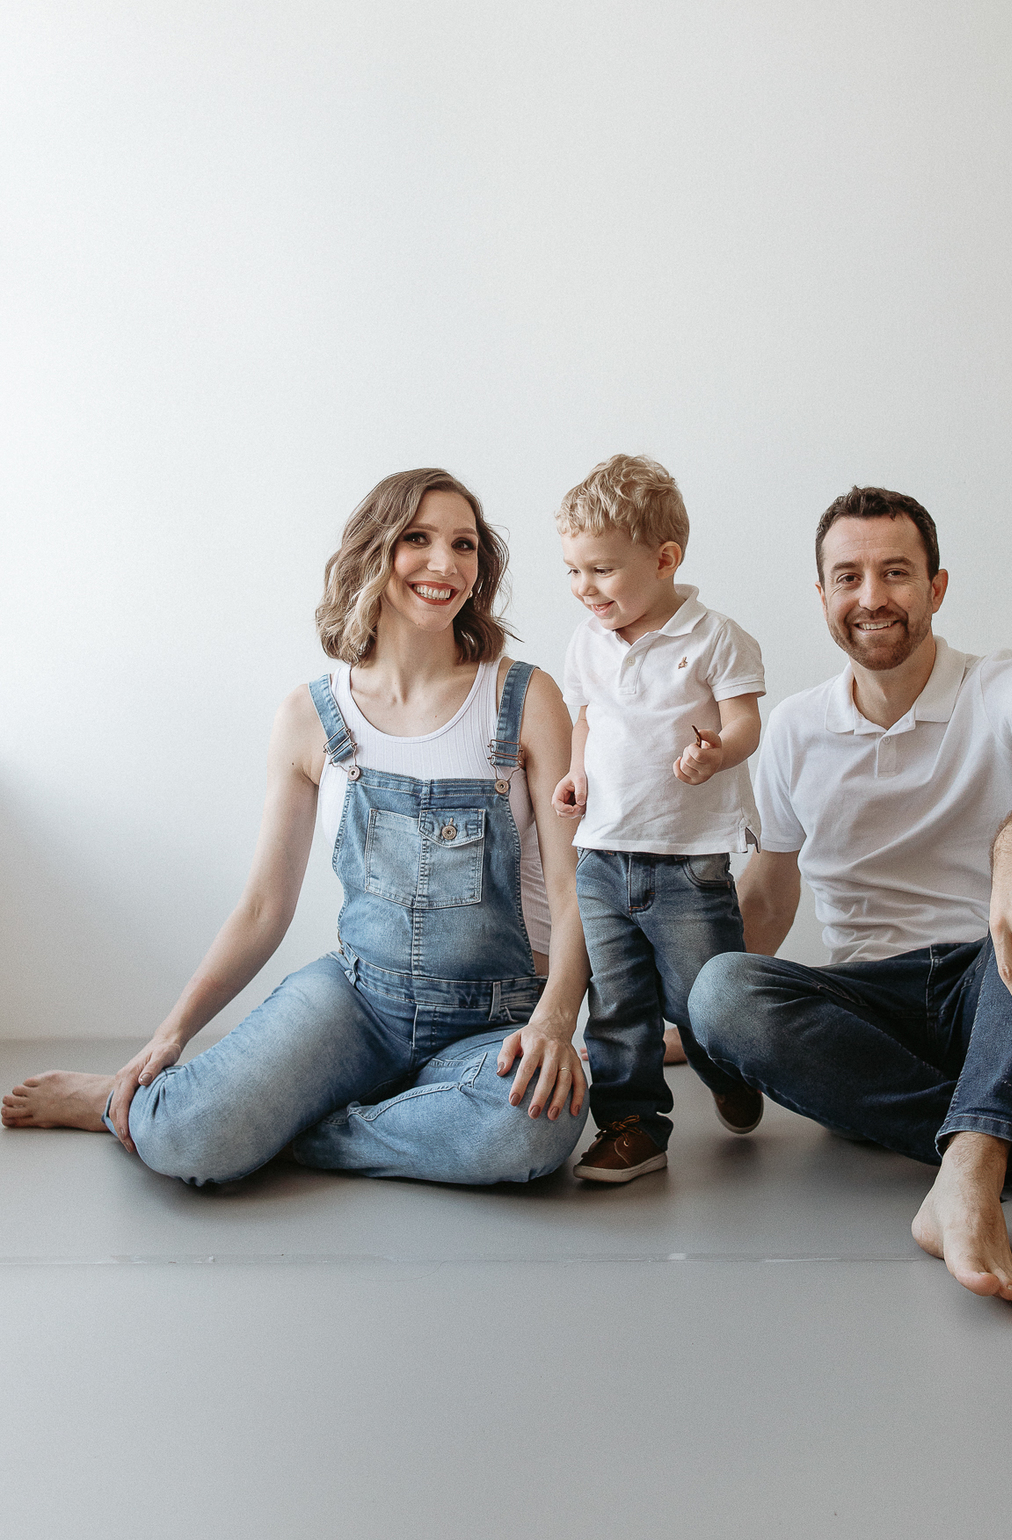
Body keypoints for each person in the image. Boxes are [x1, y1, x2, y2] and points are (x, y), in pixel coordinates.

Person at [688, 485, 1012, 1308]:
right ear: (821, 596)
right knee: (718, 988)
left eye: (896, 572)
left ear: (936, 586)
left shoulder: (1004, 683)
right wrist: (694, 1021)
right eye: (848, 577)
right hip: (874, 1023)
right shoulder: (793, 728)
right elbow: (771, 902)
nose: (872, 597)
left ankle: (974, 1168)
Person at [3, 469, 591, 1185]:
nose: (445, 563)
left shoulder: (525, 697)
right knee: (185, 1141)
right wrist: (170, 1033)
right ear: (375, 550)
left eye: (464, 544)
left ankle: (278, 1129)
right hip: (357, 1004)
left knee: (534, 1129)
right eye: (418, 539)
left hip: (497, 1015)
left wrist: (555, 1021)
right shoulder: (310, 716)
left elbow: (573, 893)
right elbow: (263, 907)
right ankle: (139, 1103)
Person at [551, 454, 766, 1183]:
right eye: (573, 571)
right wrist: (576, 773)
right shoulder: (587, 641)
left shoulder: (715, 638)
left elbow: (745, 722)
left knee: (698, 1000)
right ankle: (633, 1126)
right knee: (617, 1005)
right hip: (602, 855)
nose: (584, 588)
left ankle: (728, 1066)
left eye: (602, 570)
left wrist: (717, 752)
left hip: (687, 861)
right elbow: (586, 718)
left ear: (665, 560)